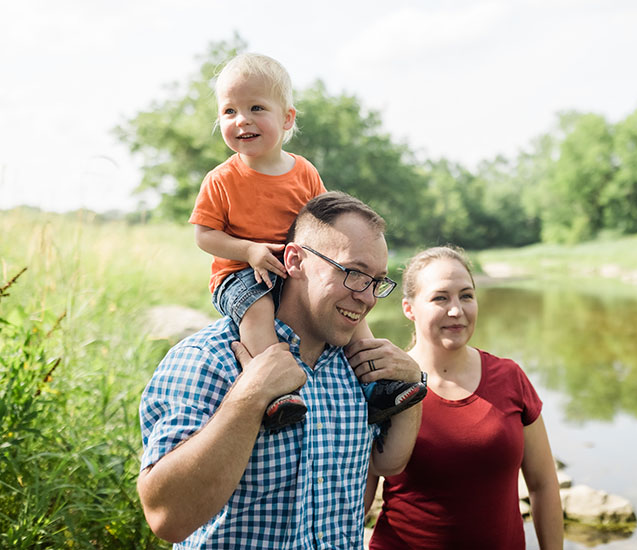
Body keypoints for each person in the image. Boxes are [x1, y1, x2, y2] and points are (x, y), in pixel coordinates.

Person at [138, 192, 424, 548]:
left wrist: (414, 386)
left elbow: (386, 465)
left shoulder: (359, 367)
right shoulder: (207, 359)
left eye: (377, 281)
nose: (366, 297)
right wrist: (250, 396)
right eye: (353, 273)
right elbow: (167, 517)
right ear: (295, 260)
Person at [189, 53, 424, 430]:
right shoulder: (221, 179)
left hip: (297, 266)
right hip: (242, 272)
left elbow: (327, 219)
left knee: (354, 315)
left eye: (256, 107)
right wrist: (249, 250)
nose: (242, 120)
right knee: (258, 312)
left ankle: (378, 387)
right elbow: (204, 235)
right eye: (229, 111)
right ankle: (275, 392)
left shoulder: (304, 171)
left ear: (286, 119)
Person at [367, 246, 564, 550]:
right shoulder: (385, 386)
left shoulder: (510, 377)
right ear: (409, 308)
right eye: (440, 298)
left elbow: (543, 484)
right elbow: (356, 503)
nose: (457, 310)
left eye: (466, 296)